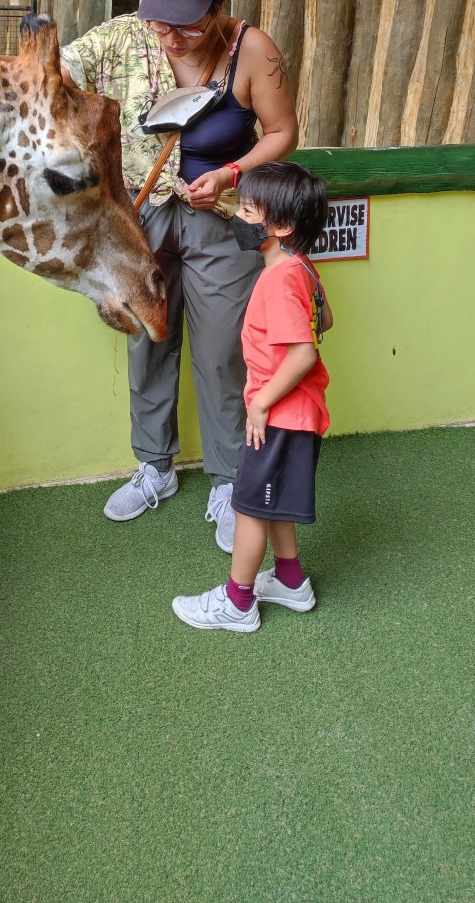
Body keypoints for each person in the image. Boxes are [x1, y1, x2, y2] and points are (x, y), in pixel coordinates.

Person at [60, 0, 299, 552]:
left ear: (217, 7)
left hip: (219, 213)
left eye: (186, 23)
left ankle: (228, 481)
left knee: (223, 350)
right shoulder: (126, 37)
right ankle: (154, 467)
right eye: (159, 20)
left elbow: (283, 133)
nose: (169, 35)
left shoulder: (253, 50)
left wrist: (230, 173)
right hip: (143, 215)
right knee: (149, 339)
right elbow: (57, 70)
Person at [171, 161, 332, 630]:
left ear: (280, 226)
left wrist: (261, 403)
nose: (237, 218)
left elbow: (303, 353)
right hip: (297, 412)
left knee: (248, 507)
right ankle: (290, 581)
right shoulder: (301, 267)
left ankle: (237, 603)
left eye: (246, 211)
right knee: (270, 499)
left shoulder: (278, 280)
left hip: (278, 416)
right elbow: (325, 321)